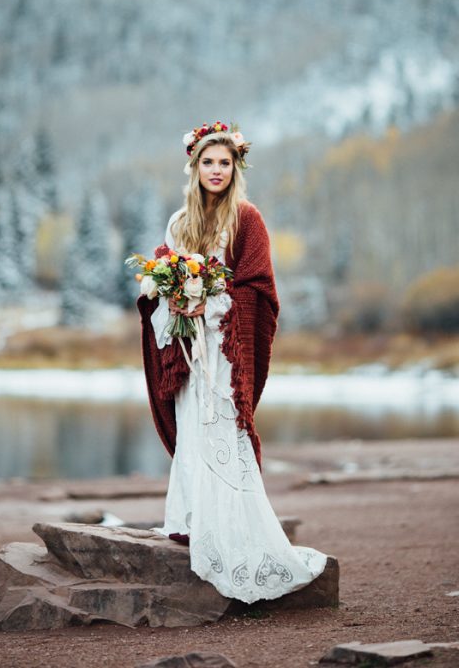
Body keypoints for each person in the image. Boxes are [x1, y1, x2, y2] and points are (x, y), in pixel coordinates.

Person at [137, 122, 328, 603]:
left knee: (223, 428)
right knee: (192, 426)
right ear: (194, 166)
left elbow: (257, 287)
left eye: (224, 162)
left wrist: (212, 302)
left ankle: (233, 529)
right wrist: (172, 298)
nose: (216, 170)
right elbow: (165, 282)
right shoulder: (180, 222)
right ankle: (190, 520)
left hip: (225, 350)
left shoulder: (247, 219)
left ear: (235, 166)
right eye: (208, 162)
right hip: (186, 348)